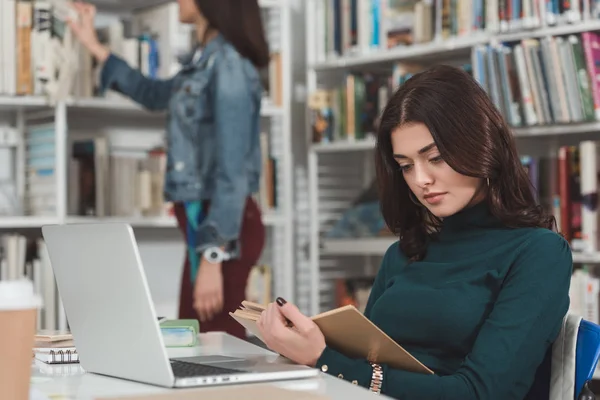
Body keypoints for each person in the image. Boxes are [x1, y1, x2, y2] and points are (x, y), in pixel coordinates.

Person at [256, 65, 573, 399]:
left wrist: (323, 360)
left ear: (481, 145)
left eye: (434, 158)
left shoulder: (539, 253)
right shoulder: (405, 252)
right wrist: (307, 347)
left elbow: (481, 393)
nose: (421, 179)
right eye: (406, 166)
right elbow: (365, 359)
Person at [67, 0, 269, 339]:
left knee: (213, 352)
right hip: (203, 228)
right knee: (196, 342)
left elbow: (232, 171)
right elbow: (153, 93)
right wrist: (94, 46)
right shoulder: (204, 61)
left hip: (220, 232)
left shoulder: (229, 64)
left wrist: (212, 256)